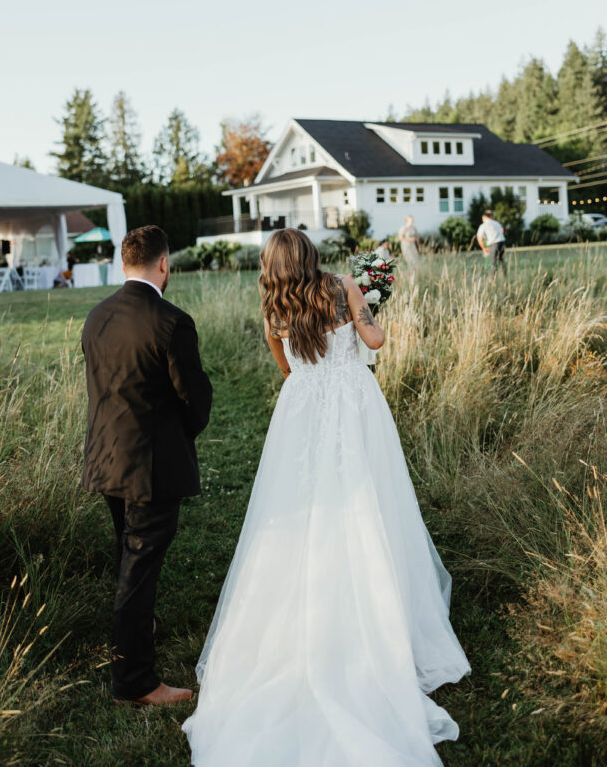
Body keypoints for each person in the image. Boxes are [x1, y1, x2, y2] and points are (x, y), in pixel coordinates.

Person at [182, 228, 470, 765]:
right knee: (370, 500)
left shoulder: (274, 309)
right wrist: (369, 309)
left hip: (305, 408)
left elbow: (287, 366)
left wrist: (315, 373)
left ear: (272, 267)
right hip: (355, 405)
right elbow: (376, 343)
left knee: (302, 505)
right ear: (312, 256)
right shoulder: (342, 286)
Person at [81, 225, 213, 708]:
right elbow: (195, 399)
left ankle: (133, 635)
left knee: (127, 556)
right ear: (164, 264)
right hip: (150, 468)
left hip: (104, 459)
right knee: (137, 569)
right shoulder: (171, 321)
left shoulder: (96, 316)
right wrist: (179, 437)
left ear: (123, 264)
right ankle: (135, 681)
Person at [476, 209, 506, 279]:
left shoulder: (483, 225)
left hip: (494, 244)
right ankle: (504, 277)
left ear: (484, 217)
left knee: (493, 263)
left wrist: (484, 248)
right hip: (502, 242)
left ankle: (493, 280)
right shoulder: (497, 223)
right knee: (501, 260)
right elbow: (502, 231)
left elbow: (479, 238)